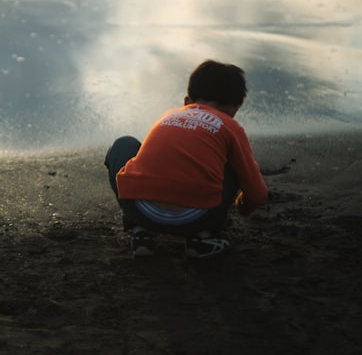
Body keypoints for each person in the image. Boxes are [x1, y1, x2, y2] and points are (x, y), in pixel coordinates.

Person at [104, 60, 268, 258]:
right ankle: (203, 238)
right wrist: (240, 206)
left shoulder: (168, 116)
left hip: (141, 211)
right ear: (235, 108)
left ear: (187, 101)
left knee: (124, 144)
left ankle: (140, 231)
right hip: (196, 218)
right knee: (234, 163)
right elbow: (258, 195)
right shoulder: (230, 127)